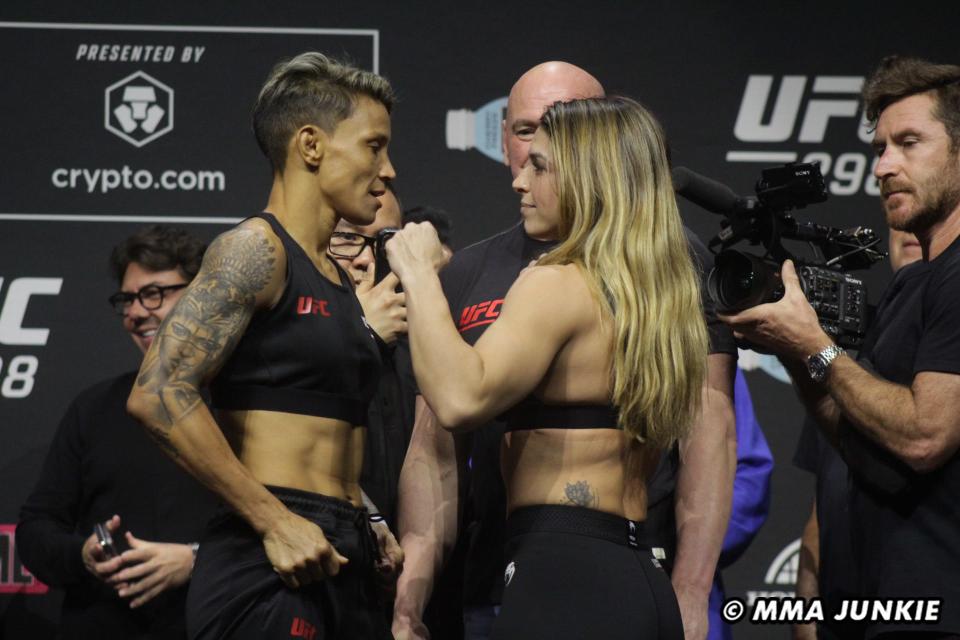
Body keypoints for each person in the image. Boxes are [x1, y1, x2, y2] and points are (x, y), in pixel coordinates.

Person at [392, 61, 736, 640]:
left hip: (562, 575)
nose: (521, 182)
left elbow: (457, 400)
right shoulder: (656, 285)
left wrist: (419, 272)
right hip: (632, 571)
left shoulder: (556, 280)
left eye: (542, 166)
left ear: (586, 175)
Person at [126, 52, 402, 640]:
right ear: (310, 145)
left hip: (341, 549)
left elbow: (321, 425)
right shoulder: (256, 251)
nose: (389, 171)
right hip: (270, 554)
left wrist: (367, 517)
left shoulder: (334, 274)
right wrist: (274, 521)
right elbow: (158, 394)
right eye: (374, 146)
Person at [723, 55, 960, 638]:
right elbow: (859, 441)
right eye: (880, 148)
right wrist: (793, 347)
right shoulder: (913, 282)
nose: (885, 166)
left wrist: (817, 345)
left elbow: (925, 435)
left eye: (909, 143)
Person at [17, 225, 217, 639]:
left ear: (201, 297)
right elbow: (36, 530)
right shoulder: (94, 409)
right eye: (127, 299)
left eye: (154, 294)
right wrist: (84, 555)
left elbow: (290, 530)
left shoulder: (246, 406)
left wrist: (197, 560)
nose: (136, 312)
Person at [792, 229, 922, 640]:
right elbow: (824, 500)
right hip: (844, 617)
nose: (911, 234)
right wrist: (806, 616)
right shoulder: (850, 355)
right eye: (903, 223)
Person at [327, 184, 415, 529]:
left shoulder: (428, 343)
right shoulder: (275, 339)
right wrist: (362, 334)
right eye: (347, 239)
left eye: (385, 241)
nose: (366, 259)